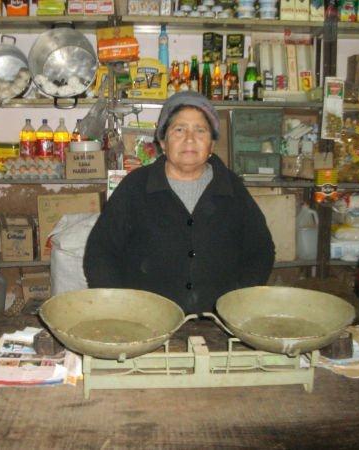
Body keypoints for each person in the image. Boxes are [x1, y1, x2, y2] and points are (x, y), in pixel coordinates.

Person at [83, 91, 275, 314]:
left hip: (216, 321)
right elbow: (100, 251)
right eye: (179, 130)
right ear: (163, 142)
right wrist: (121, 306)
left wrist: (236, 301)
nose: (190, 139)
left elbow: (261, 250)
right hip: (147, 320)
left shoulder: (232, 188)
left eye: (200, 130)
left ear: (212, 144)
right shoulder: (135, 187)